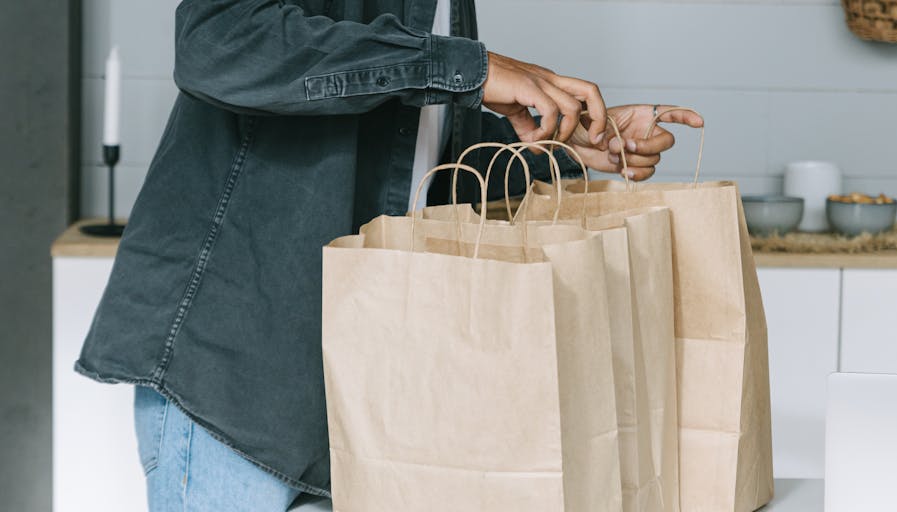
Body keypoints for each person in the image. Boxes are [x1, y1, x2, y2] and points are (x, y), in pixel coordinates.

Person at [75, 0, 704, 510]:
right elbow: (216, 41)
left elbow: (417, 166)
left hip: (355, 375)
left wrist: (566, 148)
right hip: (233, 377)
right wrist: (467, 69)